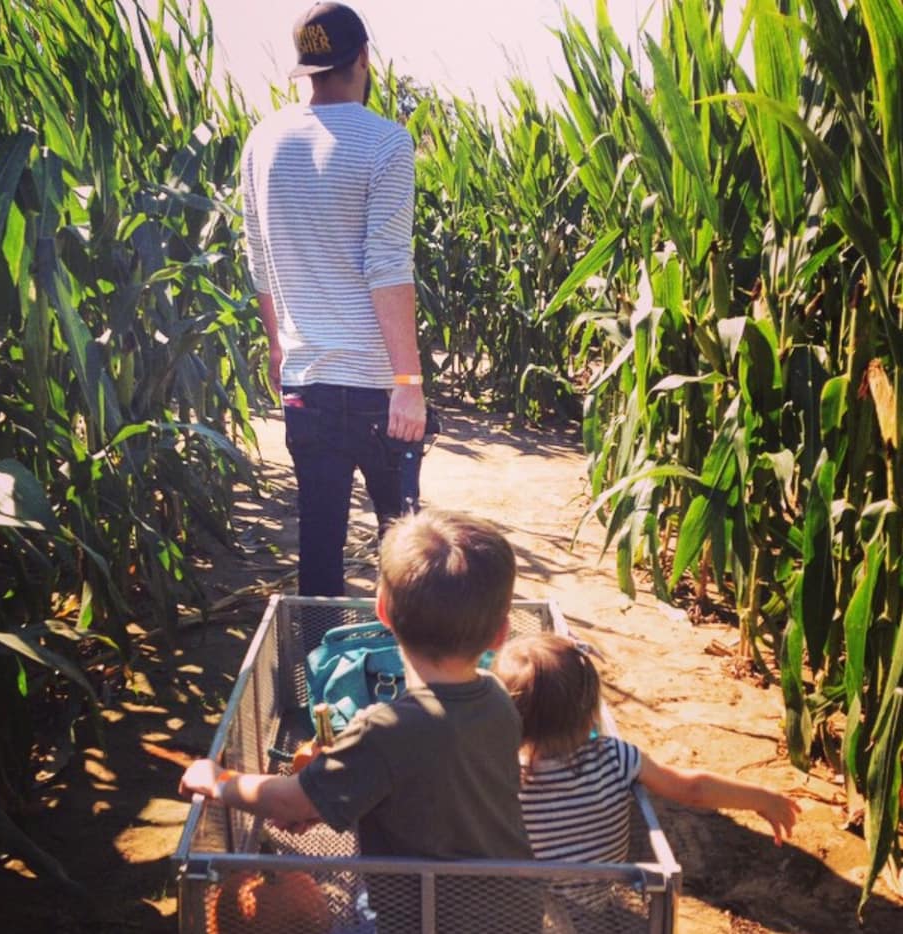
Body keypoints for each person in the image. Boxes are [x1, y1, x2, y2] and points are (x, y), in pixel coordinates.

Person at [180, 510, 539, 932]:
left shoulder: (384, 729)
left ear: (382, 611)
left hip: (423, 920)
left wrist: (219, 780)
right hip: (516, 913)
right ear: (501, 632)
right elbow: (433, 787)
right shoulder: (497, 699)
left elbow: (288, 802)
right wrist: (335, 797)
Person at [240, 2, 429, 596]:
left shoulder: (262, 141)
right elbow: (388, 267)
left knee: (318, 550)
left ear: (306, 69)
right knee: (405, 552)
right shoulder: (387, 143)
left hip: (307, 384)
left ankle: (318, 676)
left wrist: (277, 348)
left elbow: (258, 259)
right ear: (363, 59)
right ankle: (413, 679)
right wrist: (408, 381)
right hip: (378, 391)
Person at [493, 632, 801, 919]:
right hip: (597, 903)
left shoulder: (504, 776)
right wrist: (761, 799)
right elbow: (693, 788)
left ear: (508, 717)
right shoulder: (616, 757)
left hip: (534, 911)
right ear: (589, 711)